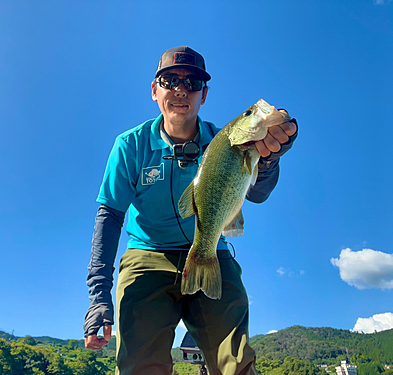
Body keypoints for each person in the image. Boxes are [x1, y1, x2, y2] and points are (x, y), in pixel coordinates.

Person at [84, 46, 298, 375]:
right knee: (140, 366)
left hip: (212, 248)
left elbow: (258, 193)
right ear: (155, 90)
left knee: (236, 363)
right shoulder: (130, 145)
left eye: (193, 83)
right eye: (170, 80)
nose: (181, 90)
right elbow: (109, 217)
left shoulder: (227, 142)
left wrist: (268, 160)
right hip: (148, 253)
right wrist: (99, 295)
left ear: (204, 95)